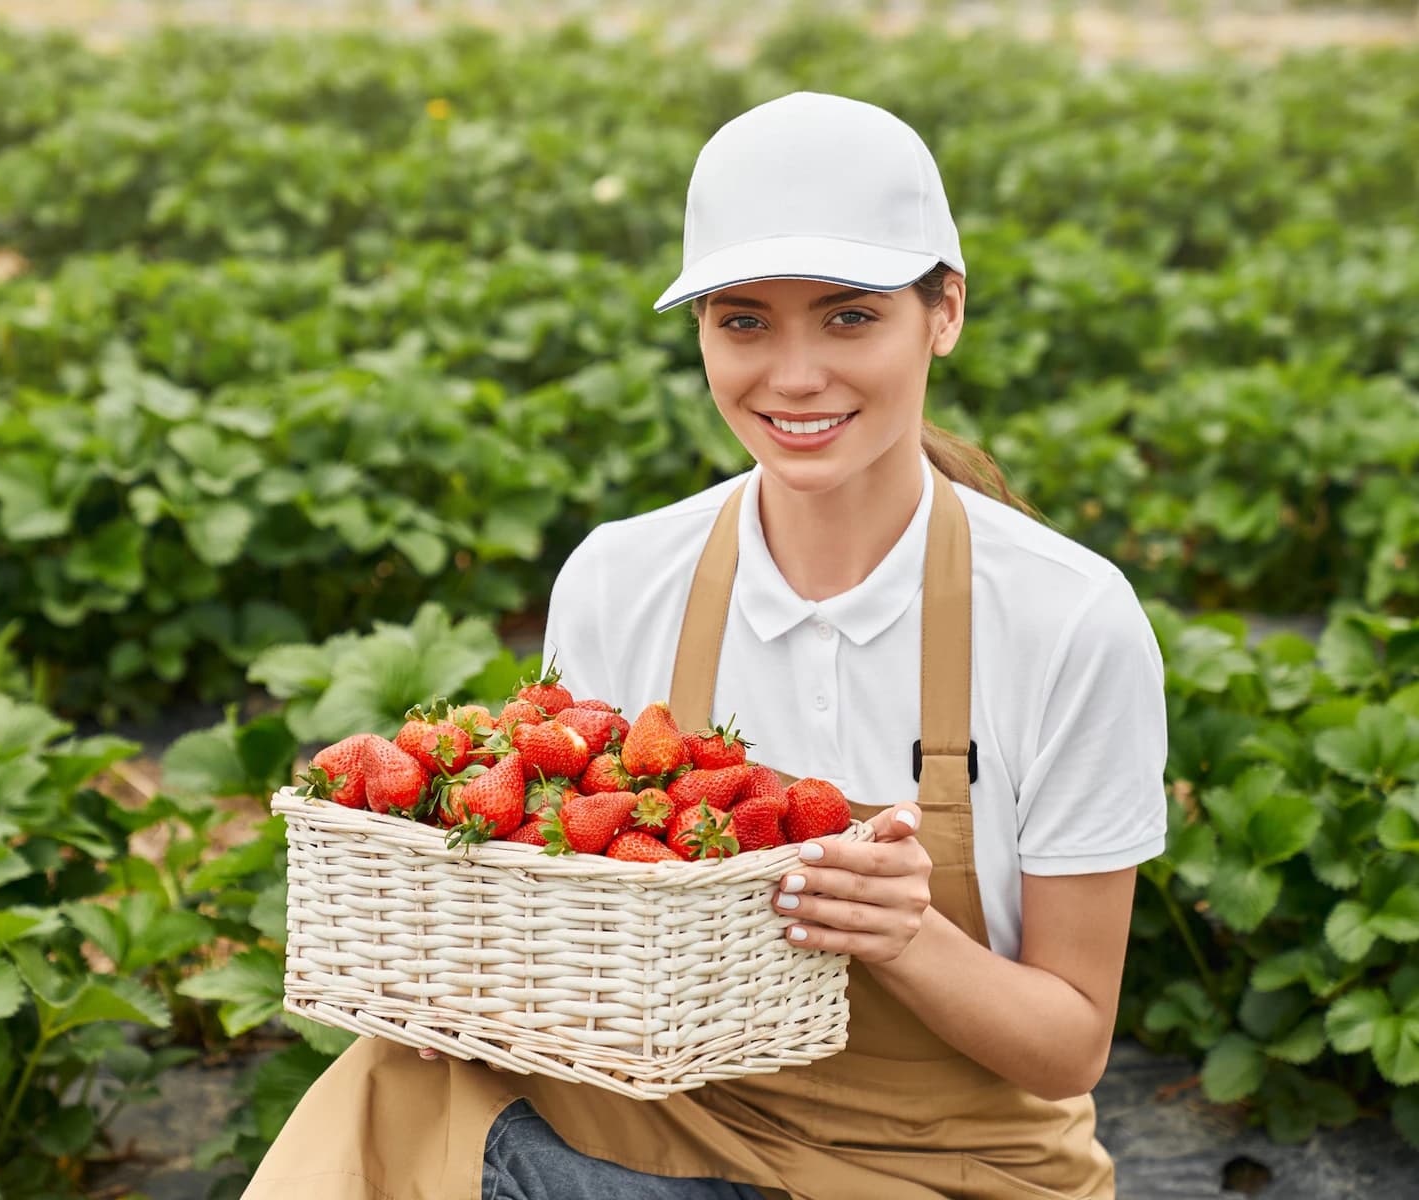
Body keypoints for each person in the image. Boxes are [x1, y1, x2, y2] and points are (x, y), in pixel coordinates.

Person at [244, 91, 1167, 1200]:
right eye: (742, 322)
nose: (792, 376)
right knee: (391, 1084)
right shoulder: (624, 577)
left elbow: (1071, 1046)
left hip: (950, 1170)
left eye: (849, 317)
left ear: (946, 312)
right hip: (656, 1126)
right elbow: (572, 919)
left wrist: (904, 934)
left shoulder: (1068, 618)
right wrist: (470, 996)